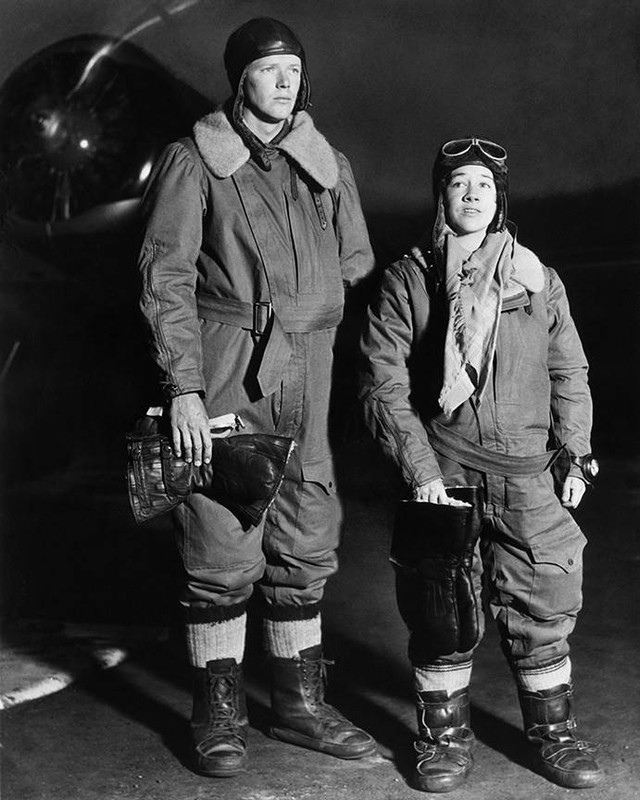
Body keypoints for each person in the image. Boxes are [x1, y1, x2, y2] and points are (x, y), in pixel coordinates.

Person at [137, 17, 376, 777]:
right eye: (270, 68)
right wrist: (184, 386)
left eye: (294, 69)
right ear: (240, 78)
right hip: (227, 361)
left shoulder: (324, 162)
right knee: (219, 532)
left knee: (305, 530)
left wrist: (310, 305)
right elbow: (164, 279)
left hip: (309, 366)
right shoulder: (194, 161)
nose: (285, 80)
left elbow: (357, 257)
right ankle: (218, 711)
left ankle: (300, 706)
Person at [359, 137, 602, 792]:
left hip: (527, 471)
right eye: (459, 183)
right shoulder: (411, 278)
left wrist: (574, 450)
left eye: (484, 185)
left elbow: (568, 369)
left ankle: (553, 733)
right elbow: (382, 385)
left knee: (545, 600)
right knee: (442, 608)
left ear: (499, 201)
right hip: (448, 471)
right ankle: (443, 740)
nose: (472, 194)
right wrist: (421, 470)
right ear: (442, 196)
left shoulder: (535, 278)